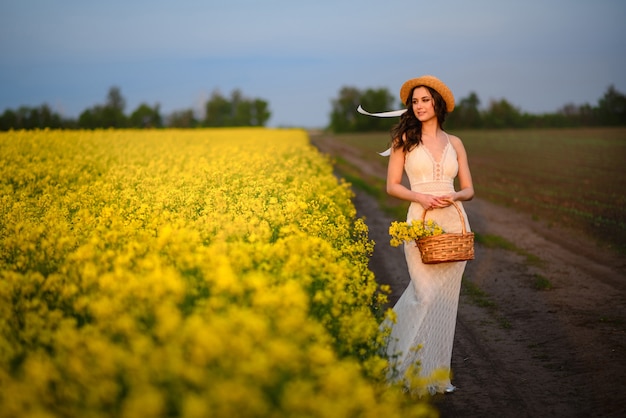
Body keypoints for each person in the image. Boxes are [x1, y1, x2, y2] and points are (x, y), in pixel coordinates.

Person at [382, 75, 474, 396]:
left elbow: (470, 189)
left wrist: (456, 197)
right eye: (415, 101)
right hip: (419, 220)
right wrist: (420, 197)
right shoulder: (404, 140)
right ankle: (395, 362)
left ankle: (433, 374)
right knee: (423, 294)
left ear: (438, 103)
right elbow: (392, 186)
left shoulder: (456, 143)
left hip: (452, 222)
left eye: (425, 100)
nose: (419, 106)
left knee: (445, 302)